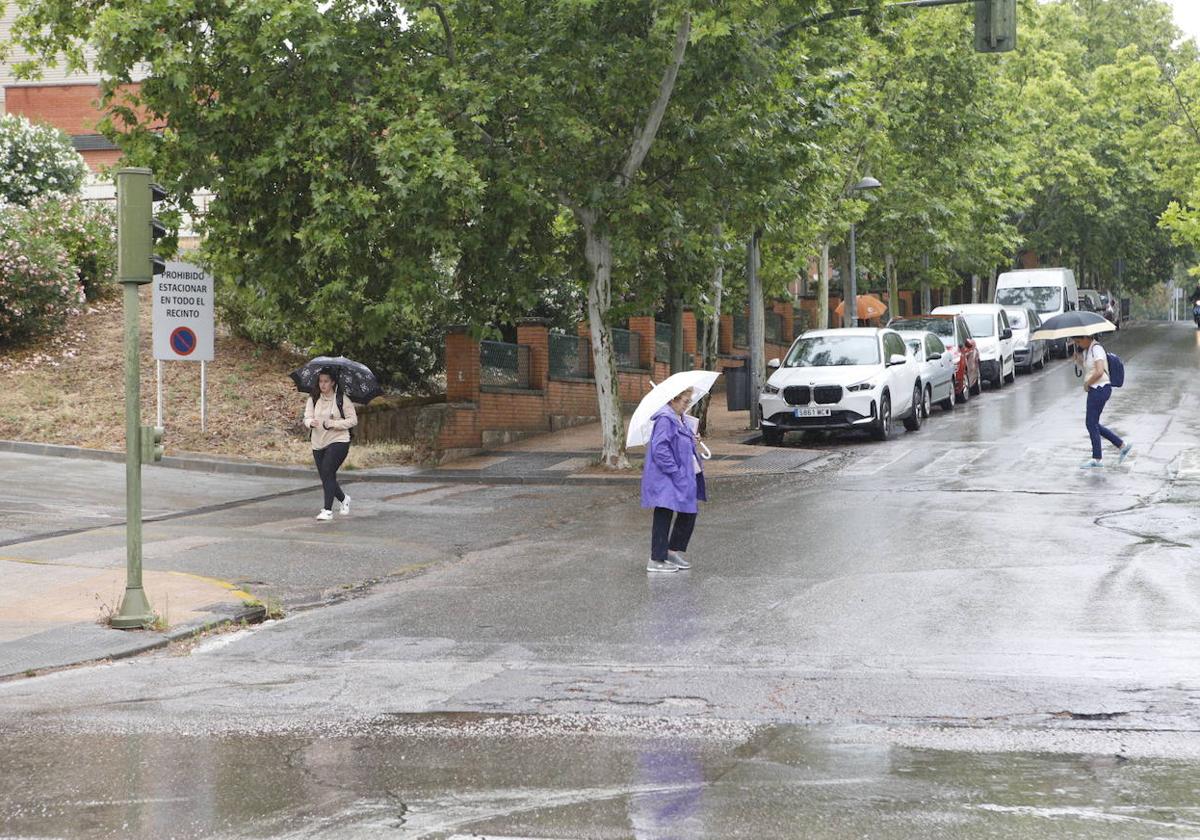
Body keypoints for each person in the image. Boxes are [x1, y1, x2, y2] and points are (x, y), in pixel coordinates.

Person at [641, 387, 706, 573]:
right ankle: (656, 558)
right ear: (673, 400)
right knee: (664, 512)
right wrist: (676, 472)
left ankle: (670, 551)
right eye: (685, 401)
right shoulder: (665, 419)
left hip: (681, 474)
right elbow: (660, 449)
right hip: (667, 477)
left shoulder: (680, 419)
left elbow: (679, 443)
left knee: (688, 510)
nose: (687, 405)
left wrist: (692, 438)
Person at [304, 368, 358, 520]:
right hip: (317, 442)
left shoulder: (341, 399)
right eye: (320, 381)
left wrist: (334, 423)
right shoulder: (313, 399)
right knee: (326, 477)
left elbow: (353, 420)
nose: (323, 384)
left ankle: (327, 510)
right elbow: (306, 417)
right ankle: (343, 499)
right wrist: (310, 422)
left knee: (328, 471)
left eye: (326, 381)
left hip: (338, 440)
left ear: (333, 382)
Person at [1072, 335, 1131, 469]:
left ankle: (1097, 458)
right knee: (1093, 423)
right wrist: (1079, 361)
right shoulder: (1089, 350)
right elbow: (1090, 369)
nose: (1078, 344)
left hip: (1100, 388)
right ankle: (1122, 445)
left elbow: (1099, 372)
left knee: (1091, 423)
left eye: (1079, 341)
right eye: (1076, 342)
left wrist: (1088, 383)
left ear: (1087, 338)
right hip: (1097, 389)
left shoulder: (1097, 349)